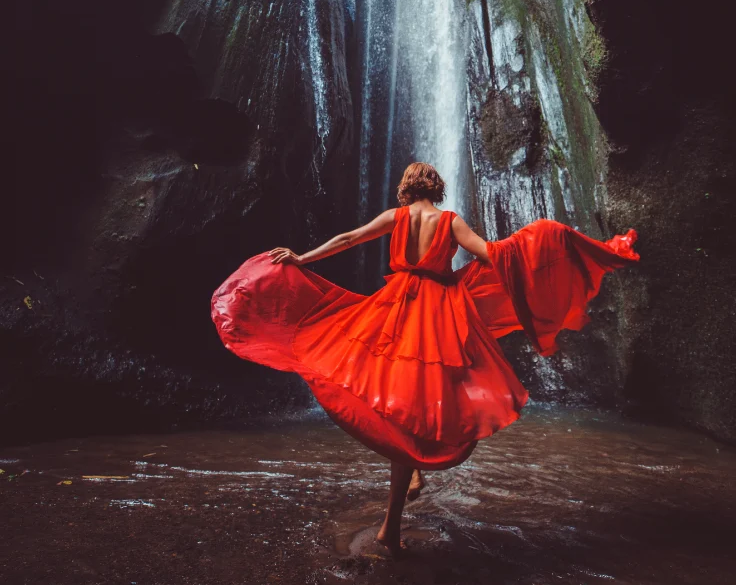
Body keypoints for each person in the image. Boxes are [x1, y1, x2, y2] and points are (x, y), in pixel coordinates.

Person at [212, 162, 638, 556]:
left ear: (406, 187)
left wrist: (302, 258)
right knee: (433, 397)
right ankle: (405, 488)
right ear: (436, 188)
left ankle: (399, 501)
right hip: (439, 315)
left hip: (397, 308)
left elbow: (349, 239)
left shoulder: (396, 217)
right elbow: (491, 255)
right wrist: (537, 242)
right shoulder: (450, 221)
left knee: (395, 396)